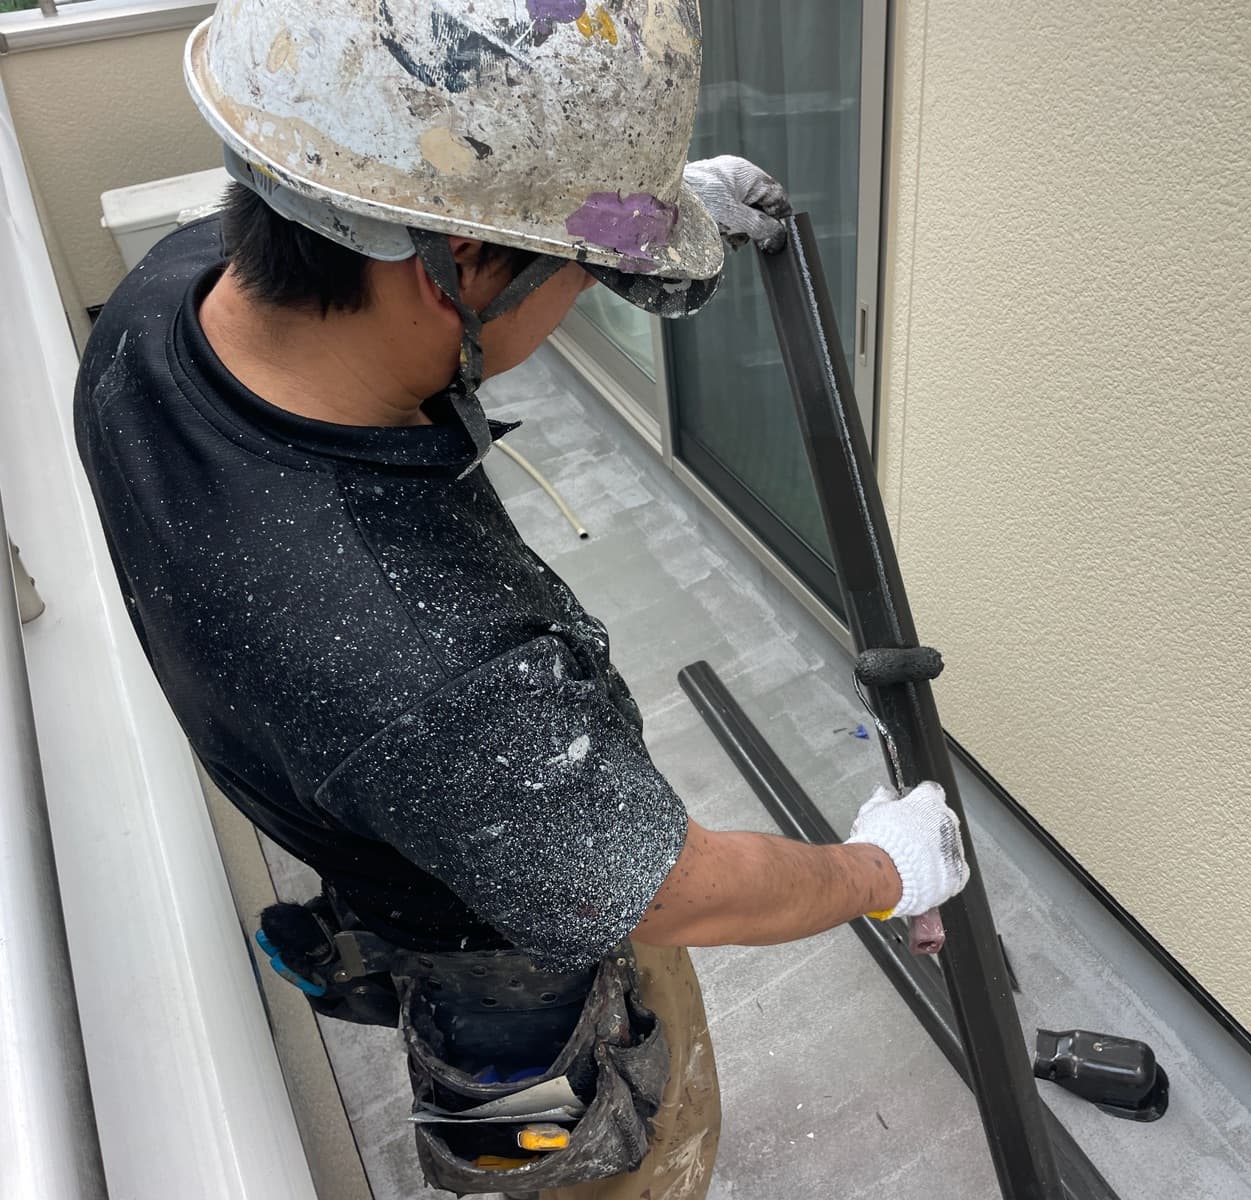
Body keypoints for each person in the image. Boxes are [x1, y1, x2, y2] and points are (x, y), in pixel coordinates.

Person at [74, 2, 970, 1197]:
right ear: (459, 265)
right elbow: (673, 887)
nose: (588, 293)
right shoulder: (434, 675)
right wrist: (879, 872)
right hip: (504, 988)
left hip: (383, 832)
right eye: (582, 271)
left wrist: (631, 208)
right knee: (604, 1164)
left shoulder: (159, 306)